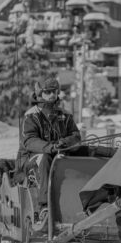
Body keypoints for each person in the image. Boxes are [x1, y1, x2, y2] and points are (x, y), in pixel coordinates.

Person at [17, 76, 81, 221]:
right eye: (48, 91)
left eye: (55, 91)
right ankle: (44, 207)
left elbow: (76, 136)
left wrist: (64, 142)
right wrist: (50, 147)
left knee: (84, 153)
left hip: (58, 154)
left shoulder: (64, 115)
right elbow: (29, 140)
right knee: (45, 159)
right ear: (40, 93)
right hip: (32, 158)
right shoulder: (31, 116)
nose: (53, 94)